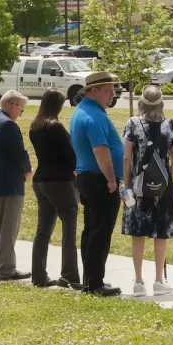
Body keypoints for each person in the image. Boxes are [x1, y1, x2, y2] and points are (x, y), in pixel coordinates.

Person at [121, 86, 173, 296]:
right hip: (163, 189)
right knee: (160, 233)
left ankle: (138, 282)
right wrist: (165, 178)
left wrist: (126, 184)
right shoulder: (170, 125)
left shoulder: (132, 124)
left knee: (138, 233)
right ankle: (158, 280)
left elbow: (127, 157)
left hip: (138, 186)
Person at [70, 72, 124, 297]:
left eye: (112, 90)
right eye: (107, 91)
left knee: (92, 230)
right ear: (93, 91)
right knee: (100, 233)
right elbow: (100, 150)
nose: (112, 95)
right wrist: (111, 178)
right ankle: (95, 283)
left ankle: (90, 280)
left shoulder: (82, 111)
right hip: (99, 179)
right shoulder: (94, 116)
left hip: (87, 177)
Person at [28, 89, 81, 288]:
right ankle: (69, 274)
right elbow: (70, 155)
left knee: (43, 230)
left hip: (41, 180)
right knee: (69, 227)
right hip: (59, 181)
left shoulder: (35, 126)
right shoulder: (55, 126)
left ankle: (39, 275)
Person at [0, 90, 33, 282]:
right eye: (21, 109)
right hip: (9, 182)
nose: (21, 113)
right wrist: (27, 170)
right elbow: (19, 152)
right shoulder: (8, 125)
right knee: (8, 227)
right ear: (12, 105)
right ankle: (7, 269)